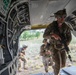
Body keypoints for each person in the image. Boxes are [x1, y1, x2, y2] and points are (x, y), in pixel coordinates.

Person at [43, 9, 72, 75]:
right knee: (58, 64)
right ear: (56, 17)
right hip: (54, 47)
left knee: (63, 64)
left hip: (63, 47)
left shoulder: (66, 26)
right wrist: (52, 35)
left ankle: (55, 67)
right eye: (60, 17)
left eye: (64, 17)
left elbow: (69, 37)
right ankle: (56, 71)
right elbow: (44, 36)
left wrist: (66, 44)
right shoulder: (51, 26)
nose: (62, 19)